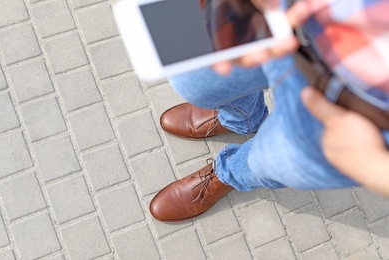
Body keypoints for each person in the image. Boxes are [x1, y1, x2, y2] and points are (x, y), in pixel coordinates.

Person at [149, 0, 389, 222]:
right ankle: (240, 119)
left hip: (369, 114)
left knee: (273, 159)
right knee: (193, 82)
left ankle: (227, 173)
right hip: (303, 15)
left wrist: (374, 167)